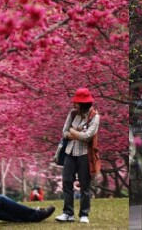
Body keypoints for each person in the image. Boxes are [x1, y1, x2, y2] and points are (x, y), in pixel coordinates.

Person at [56, 87, 101, 224]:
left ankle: (84, 214)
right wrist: (76, 133)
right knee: (67, 181)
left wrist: (73, 132)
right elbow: (64, 132)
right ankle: (68, 213)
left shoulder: (94, 117)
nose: (75, 104)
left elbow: (87, 137)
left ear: (84, 103)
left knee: (84, 185)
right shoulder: (73, 113)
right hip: (70, 152)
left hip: (84, 154)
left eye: (77, 102)